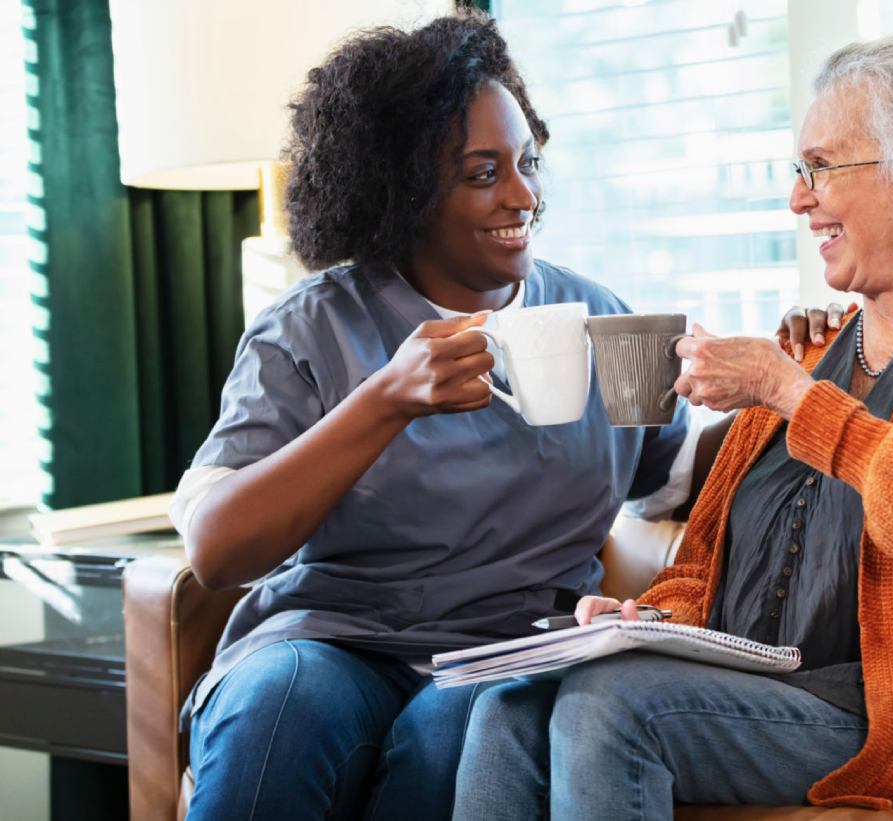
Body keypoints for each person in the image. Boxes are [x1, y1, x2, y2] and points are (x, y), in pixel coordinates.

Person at [170, 10, 836, 821]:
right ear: (403, 191)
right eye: (484, 173)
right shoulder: (313, 327)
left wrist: (797, 383)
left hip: (514, 649)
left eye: (527, 163)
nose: (524, 196)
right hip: (330, 643)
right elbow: (215, 549)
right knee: (278, 705)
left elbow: (684, 476)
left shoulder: (597, 316)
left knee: (463, 731)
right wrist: (385, 398)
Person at [453, 34, 893, 819]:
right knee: (507, 707)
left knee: (610, 706)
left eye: (821, 168)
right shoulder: (825, 346)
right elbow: (702, 566)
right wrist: (651, 622)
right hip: (765, 690)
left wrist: (787, 389)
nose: (798, 199)